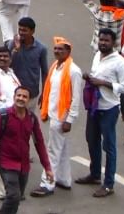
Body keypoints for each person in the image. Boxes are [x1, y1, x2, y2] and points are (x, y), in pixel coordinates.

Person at [76, 27, 124, 198]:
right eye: (101, 40)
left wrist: (104, 83)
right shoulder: (97, 56)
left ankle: (108, 184)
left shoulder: (120, 63)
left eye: (106, 41)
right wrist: (89, 78)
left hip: (109, 109)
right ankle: (95, 174)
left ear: (114, 43)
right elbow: (95, 75)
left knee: (109, 146)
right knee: (91, 140)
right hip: (94, 106)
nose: (103, 43)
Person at [0, 87, 49, 214]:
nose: (21, 98)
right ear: (14, 97)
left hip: (23, 165)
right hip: (6, 163)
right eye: (18, 95)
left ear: (29, 100)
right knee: (13, 195)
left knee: (17, 197)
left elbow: (39, 143)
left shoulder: (31, 119)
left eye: (24, 96)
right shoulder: (3, 116)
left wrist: (47, 167)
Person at [35, 37, 81, 196]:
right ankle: (64, 179)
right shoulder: (55, 67)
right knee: (62, 149)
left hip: (62, 117)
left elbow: (76, 98)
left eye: (61, 49)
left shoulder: (74, 71)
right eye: (55, 49)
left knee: (52, 151)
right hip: (54, 114)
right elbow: (50, 90)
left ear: (68, 51)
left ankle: (47, 184)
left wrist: (69, 120)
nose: (57, 51)